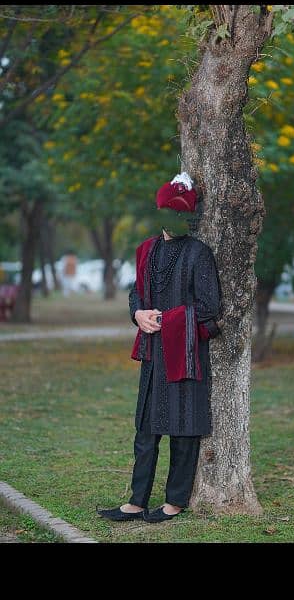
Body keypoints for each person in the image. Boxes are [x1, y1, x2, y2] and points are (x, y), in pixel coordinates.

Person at [97, 171, 222, 523]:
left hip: (184, 355)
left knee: (183, 431)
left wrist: (167, 320)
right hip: (153, 355)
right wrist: (138, 314)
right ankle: (136, 501)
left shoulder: (199, 254)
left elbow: (211, 308)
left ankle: (174, 502)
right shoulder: (146, 250)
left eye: (185, 215)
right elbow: (136, 293)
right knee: (146, 431)